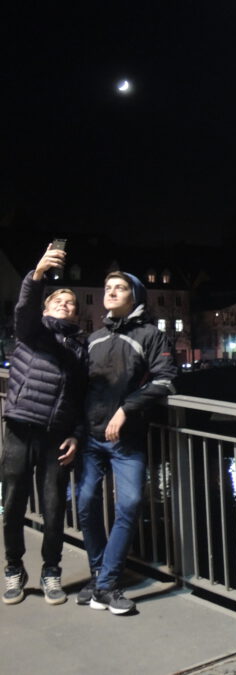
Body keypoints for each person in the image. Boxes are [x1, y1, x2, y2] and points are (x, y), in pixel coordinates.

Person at [76, 271, 178, 615]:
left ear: (134, 297)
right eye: (107, 288)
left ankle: (106, 583)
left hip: (126, 438)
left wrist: (126, 410)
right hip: (91, 437)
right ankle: (100, 575)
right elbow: (81, 388)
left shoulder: (152, 335)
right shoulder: (95, 337)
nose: (111, 292)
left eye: (119, 288)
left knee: (130, 505)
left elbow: (165, 382)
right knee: (85, 503)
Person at [2, 244, 86, 606]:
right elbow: (23, 307)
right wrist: (37, 274)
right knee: (12, 503)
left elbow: (83, 399)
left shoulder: (80, 349)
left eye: (71, 303)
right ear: (46, 307)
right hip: (21, 428)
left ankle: (51, 571)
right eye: (59, 302)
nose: (66, 306)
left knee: (54, 509)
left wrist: (76, 435)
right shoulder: (31, 332)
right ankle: (13, 568)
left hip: (56, 437)